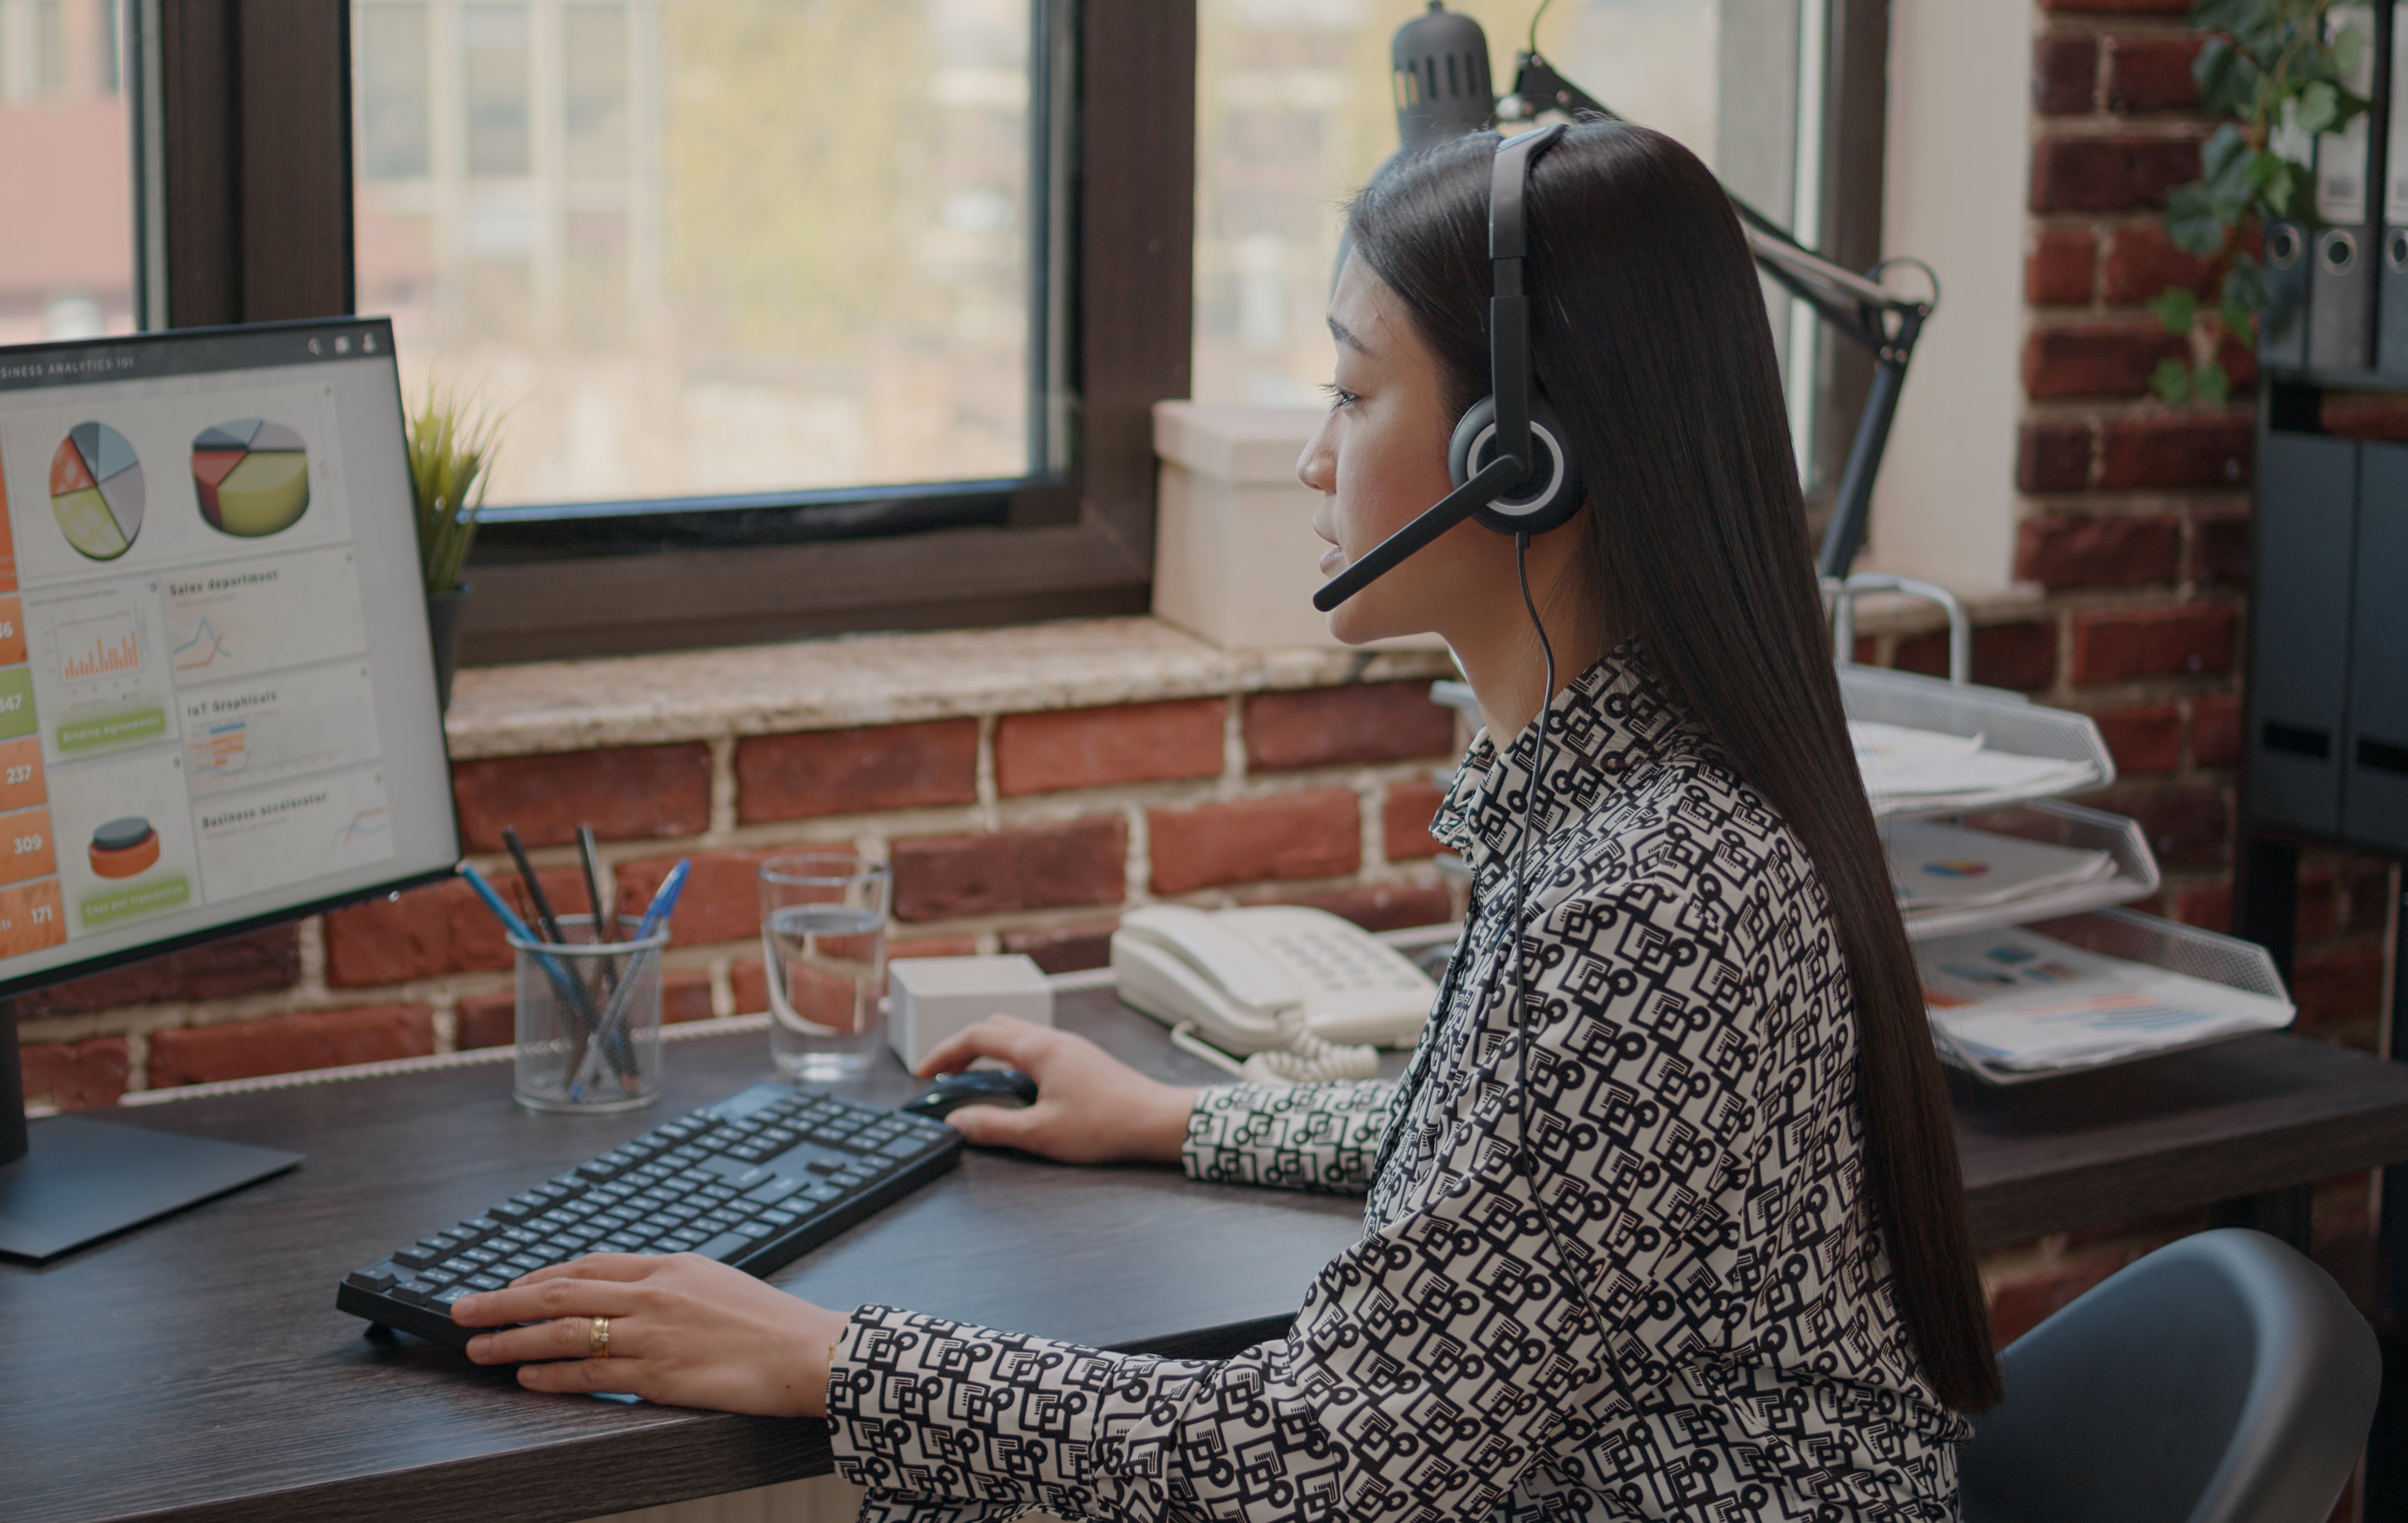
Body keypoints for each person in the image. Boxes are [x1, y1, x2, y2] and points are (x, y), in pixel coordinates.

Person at [452, 119, 2001, 1522]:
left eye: (1350, 389)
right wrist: (1174, 1116)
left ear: (1519, 462)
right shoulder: (1621, 800)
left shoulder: (1658, 886)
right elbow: (1515, 1185)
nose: (1318, 455)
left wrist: (831, 1360)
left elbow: (1334, 1454)